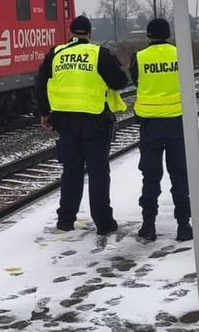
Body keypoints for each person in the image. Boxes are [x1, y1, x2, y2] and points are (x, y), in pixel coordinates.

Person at [35, 15, 129, 236]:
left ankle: (65, 221)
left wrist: (44, 113)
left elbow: (40, 83)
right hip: (95, 123)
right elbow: (120, 81)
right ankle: (104, 223)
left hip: (65, 123)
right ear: (89, 34)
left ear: (70, 33)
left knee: (71, 172)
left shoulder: (55, 54)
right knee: (98, 172)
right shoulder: (99, 54)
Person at [130, 18, 192, 242]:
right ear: (168, 34)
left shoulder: (139, 57)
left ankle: (149, 225)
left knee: (151, 176)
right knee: (180, 175)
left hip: (150, 124)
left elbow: (136, 80)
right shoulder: (180, 54)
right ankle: (184, 226)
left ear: (148, 36)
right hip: (177, 122)